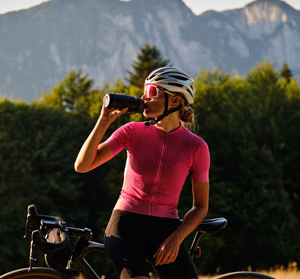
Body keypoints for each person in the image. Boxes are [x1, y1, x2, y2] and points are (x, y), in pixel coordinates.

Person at [74, 67, 210, 279]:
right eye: (144, 91)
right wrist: (103, 122)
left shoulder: (196, 147)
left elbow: (201, 207)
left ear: (174, 101)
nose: (143, 98)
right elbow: (82, 165)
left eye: (152, 93)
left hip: (167, 229)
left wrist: (177, 238)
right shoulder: (132, 131)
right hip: (125, 225)